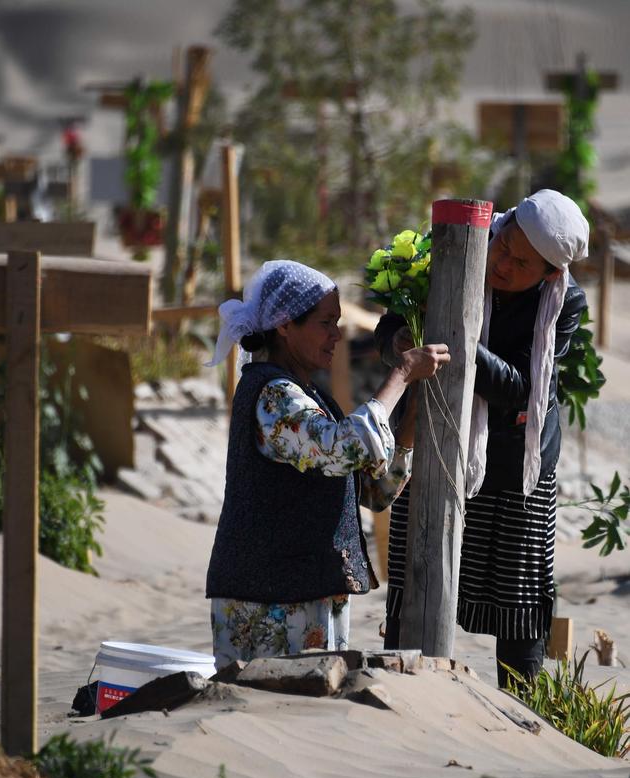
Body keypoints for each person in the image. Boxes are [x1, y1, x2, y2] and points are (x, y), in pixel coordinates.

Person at [375, 189, 589, 687]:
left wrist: (459, 336)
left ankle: (519, 710)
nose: (502, 264)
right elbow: (388, 333)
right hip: (434, 437)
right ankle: (403, 692)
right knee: (415, 580)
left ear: (550, 275)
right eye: (503, 246)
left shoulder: (565, 302)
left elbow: (521, 388)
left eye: (521, 263)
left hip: (518, 462)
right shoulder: (450, 251)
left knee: (519, 602)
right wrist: (401, 342)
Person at [205, 259, 451, 670]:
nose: (337, 335)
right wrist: (402, 373)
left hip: (305, 593)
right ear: (285, 325)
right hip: (267, 600)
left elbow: (370, 490)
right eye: (325, 322)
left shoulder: (308, 396)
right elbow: (343, 449)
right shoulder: (272, 396)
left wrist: (408, 423)